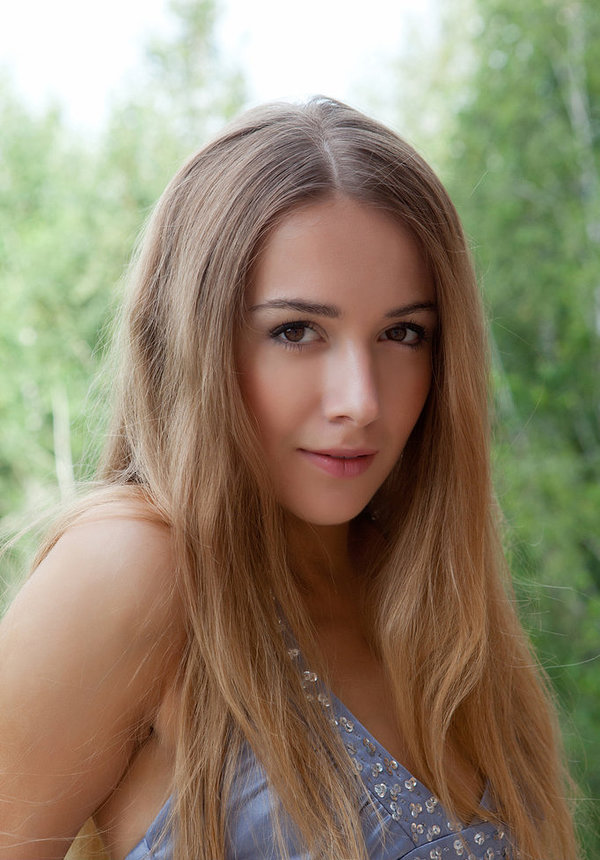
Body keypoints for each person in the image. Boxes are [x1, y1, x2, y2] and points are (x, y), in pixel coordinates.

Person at [0, 97, 578, 860]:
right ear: (195, 341)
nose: (360, 401)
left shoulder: (435, 606)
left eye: (403, 333)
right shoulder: (135, 570)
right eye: (296, 331)